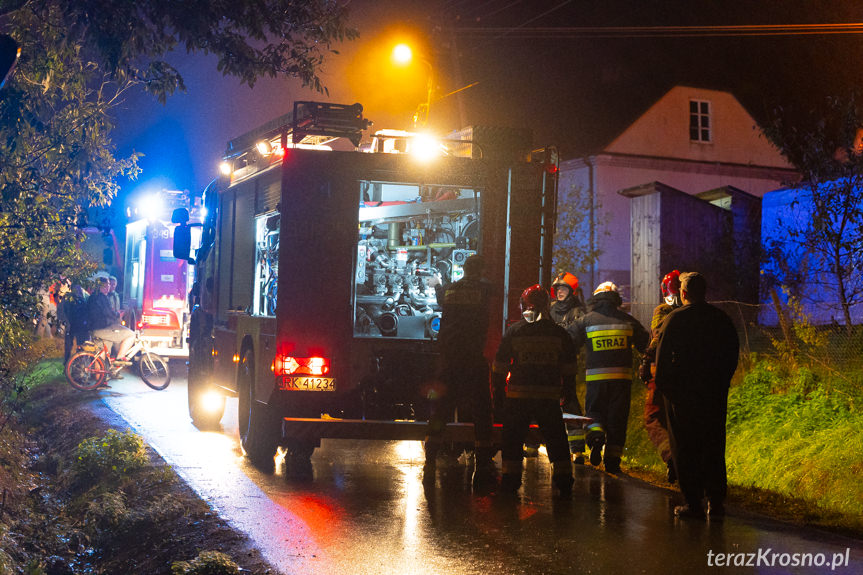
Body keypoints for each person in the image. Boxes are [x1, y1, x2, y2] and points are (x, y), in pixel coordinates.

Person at [654, 272, 739, 519]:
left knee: (685, 448)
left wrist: (668, 391)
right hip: (713, 396)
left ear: (683, 293)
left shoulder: (675, 320)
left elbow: (662, 362)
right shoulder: (721, 319)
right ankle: (716, 501)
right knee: (713, 447)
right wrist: (721, 384)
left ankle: (693, 503)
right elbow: (732, 355)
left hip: (681, 397)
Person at [493, 284, 580, 498]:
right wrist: (568, 392)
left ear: (523, 305)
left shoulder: (514, 331)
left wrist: (498, 394)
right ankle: (564, 481)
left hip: (518, 397)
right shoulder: (560, 334)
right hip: (548, 398)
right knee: (556, 439)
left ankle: (510, 482)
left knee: (513, 440)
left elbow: (499, 367)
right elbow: (569, 368)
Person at [423, 254, 497, 488]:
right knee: (482, 410)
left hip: (450, 360)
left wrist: (438, 283)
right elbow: (494, 290)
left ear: (464, 269)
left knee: (442, 409)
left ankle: (430, 458)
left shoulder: (451, 289)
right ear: (481, 270)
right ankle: (483, 461)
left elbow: (442, 298)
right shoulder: (484, 288)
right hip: (473, 359)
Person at [569, 281, 648, 474]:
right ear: (615, 299)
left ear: (596, 298)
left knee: (594, 413)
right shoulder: (628, 321)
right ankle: (612, 460)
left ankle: (595, 438)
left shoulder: (586, 320)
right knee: (617, 418)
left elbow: (568, 342)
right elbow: (646, 344)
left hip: (596, 380)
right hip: (621, 381)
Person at [637, 270, 682, 483]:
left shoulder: (663, 310)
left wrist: (646, 360)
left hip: (662, 369)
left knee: (653, 417)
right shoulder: (695, 313)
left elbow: (658, 336)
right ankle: (685, 464)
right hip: (686, 374)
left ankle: (671, 457)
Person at [549, 271, 588, 464]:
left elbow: (579, 338)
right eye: (557, 289)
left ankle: (577, 449)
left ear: (571, 291)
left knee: (570, 402)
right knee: (544, 400)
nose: (560, 292)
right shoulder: (550, 309)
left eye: (563, 288)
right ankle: (531, 444)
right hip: (548, 363)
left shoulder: (578, 311)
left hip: (568, 363)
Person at [88, 276, 135, 376]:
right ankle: (119, 358)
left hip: (95, 328)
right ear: (102, 286)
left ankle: (99, 380)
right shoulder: (101, 297)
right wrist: (118, 314)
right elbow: (107, 312)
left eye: (109, 284)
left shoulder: (94, 296)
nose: (109, 287)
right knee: (131, 335)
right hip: (103, 328)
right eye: (107, 284)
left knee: (101, 354)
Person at [58, 282, 90, 364]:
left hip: (72, 325)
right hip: (81, 325)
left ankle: (69, 363)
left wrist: (65, 322)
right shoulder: (84, 295)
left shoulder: (67, 296)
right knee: (81, 345)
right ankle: (78, 363)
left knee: (70, 346)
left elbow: (61, 310)